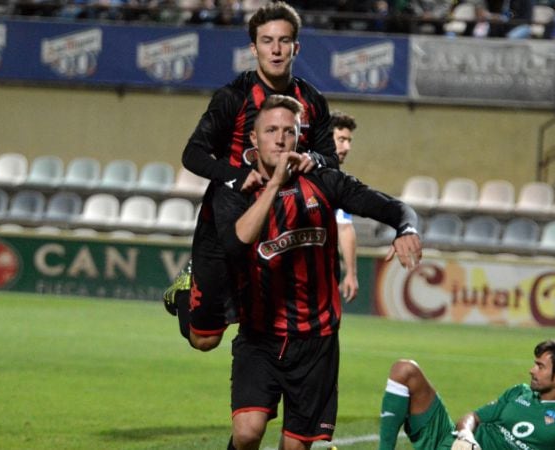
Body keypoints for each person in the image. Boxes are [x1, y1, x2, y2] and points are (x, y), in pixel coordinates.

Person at [213, 95, 423, 450]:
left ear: (299, 138)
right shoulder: (234, 188)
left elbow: (394, 207)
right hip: (260, 336)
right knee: (248, 431)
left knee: (296, 447)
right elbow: (236, 242)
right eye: (271, 131)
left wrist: (407, 229)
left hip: (317, 341)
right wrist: (276, 182)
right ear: (253, 137)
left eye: (288, 132)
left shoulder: (324, 181)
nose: (280, 139)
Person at [163, 1, 339, 352]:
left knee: (272, 321)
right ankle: (185, 289)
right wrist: (234, 176)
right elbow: (193, 153)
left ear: (296, 47)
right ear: (253, 47)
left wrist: (313, 160)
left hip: (280, 226)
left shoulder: (313, 101)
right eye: (267, 41)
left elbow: (330, 159)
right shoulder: (233, 98)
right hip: (225, 225)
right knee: (204, 339)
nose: (276, 49)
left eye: (284, 41)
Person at [378, 339, 555, 450]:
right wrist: (466, 435)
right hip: (453, 443)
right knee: (405, 370)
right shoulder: (519, 392)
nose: (532, 370)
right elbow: (472, 416)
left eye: (540, 366)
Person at [331, 110, 359, 302]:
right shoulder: (297, 171)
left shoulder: (339, 183)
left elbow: (345, 225)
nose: (347, 147)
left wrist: (351, 272)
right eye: (341, 139)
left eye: (349, 141)